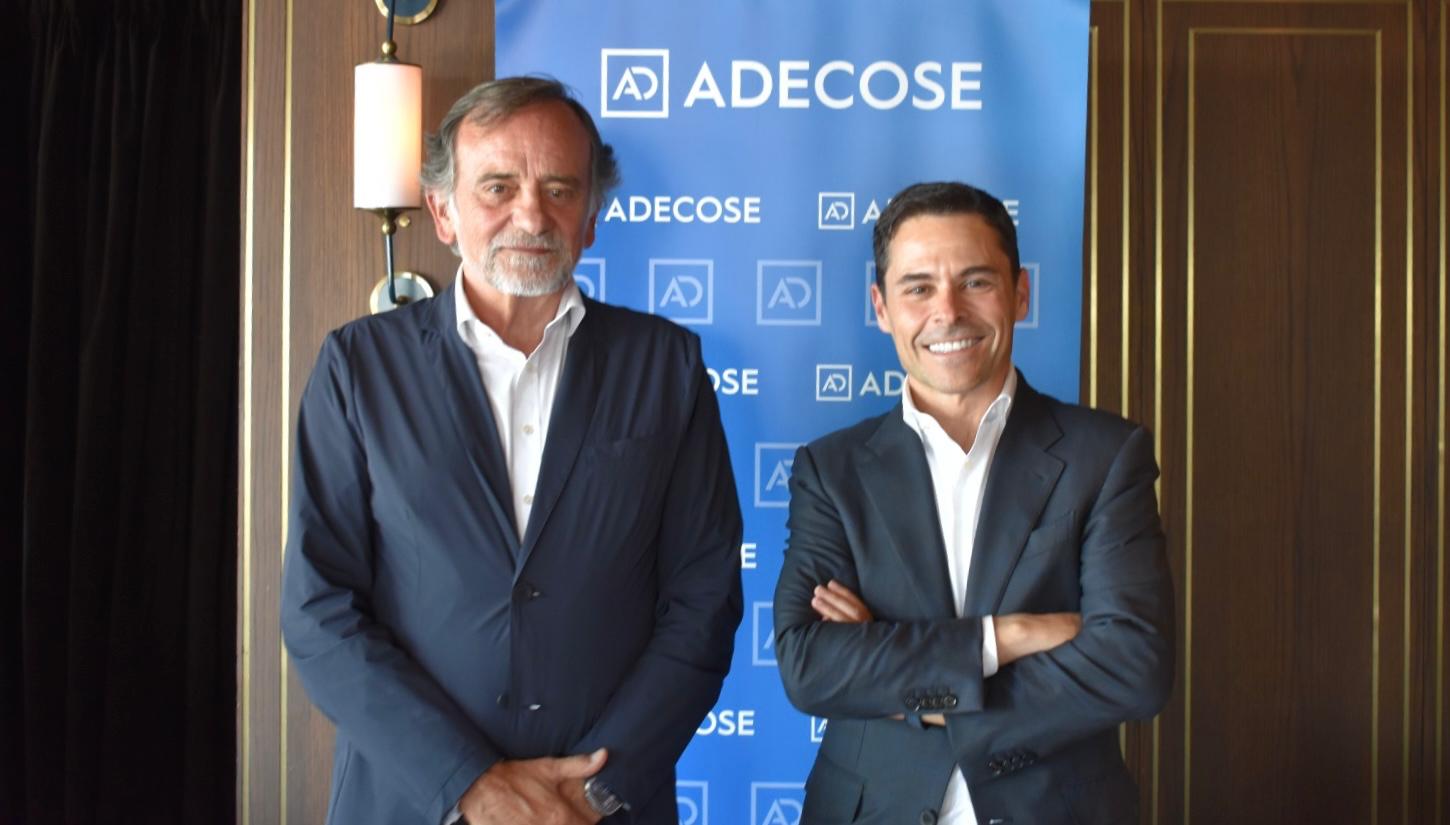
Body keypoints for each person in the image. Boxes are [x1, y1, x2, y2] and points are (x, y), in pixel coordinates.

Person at [281, 77, 744, 825]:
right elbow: (318, 608)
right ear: (443, 211)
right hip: (409, 800)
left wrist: (592, 791)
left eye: (560, 189)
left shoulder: (667, 367)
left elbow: (704, 599)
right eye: (498, 187)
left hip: (603, 807)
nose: (531, 214)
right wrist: (469, 783)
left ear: (590, 219)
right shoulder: (357, 367)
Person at [773, 182, 1173, 825]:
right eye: (918, 288)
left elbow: (1134, 667)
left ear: (1020, 293)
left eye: (976, 282)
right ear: (881, 307)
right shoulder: (831, 470)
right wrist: (1009, 636)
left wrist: (893, 673)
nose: (948, 311)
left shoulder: (1106, 456)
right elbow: (810, 666)